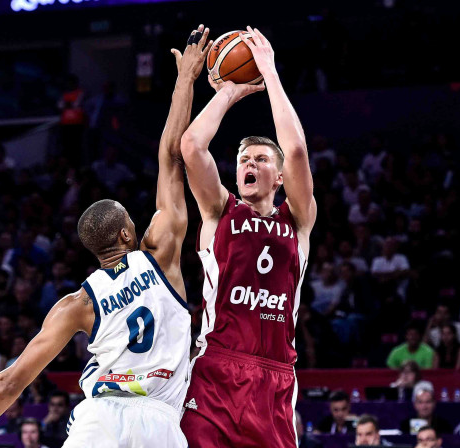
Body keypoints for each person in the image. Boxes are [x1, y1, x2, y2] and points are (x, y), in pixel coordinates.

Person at [0, 24, 211, 448]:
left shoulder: (78, 304)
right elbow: (171, 155)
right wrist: (184, 81)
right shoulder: (160, 252)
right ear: (128, 232)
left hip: (100, 420)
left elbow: (9, 382)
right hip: (161, 422)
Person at [179, 26, 316, 448]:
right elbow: (192, 146)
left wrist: (269, 73)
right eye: (242, 160)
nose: (248, 164)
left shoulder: (299, 221)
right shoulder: (219, 211)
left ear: (278, 178)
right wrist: (229, 91)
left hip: (274, 379)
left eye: (259, 159)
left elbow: (294, 151)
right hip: (215, 372)